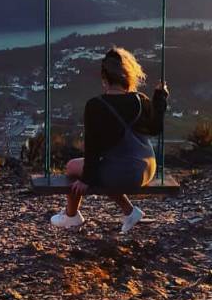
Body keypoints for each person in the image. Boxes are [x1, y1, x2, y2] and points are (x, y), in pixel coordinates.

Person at [51, 46, 168, 232]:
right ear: (128, 75)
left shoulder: (96, 105)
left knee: (73, 167)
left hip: (123, 173)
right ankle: (129, 212)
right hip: (147, 169)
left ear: (104, 78)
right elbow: (155, 129)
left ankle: (71, 216)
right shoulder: (140, 99)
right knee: (107, 168)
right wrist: (160, 98)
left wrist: (86, 179)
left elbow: (92, 147)